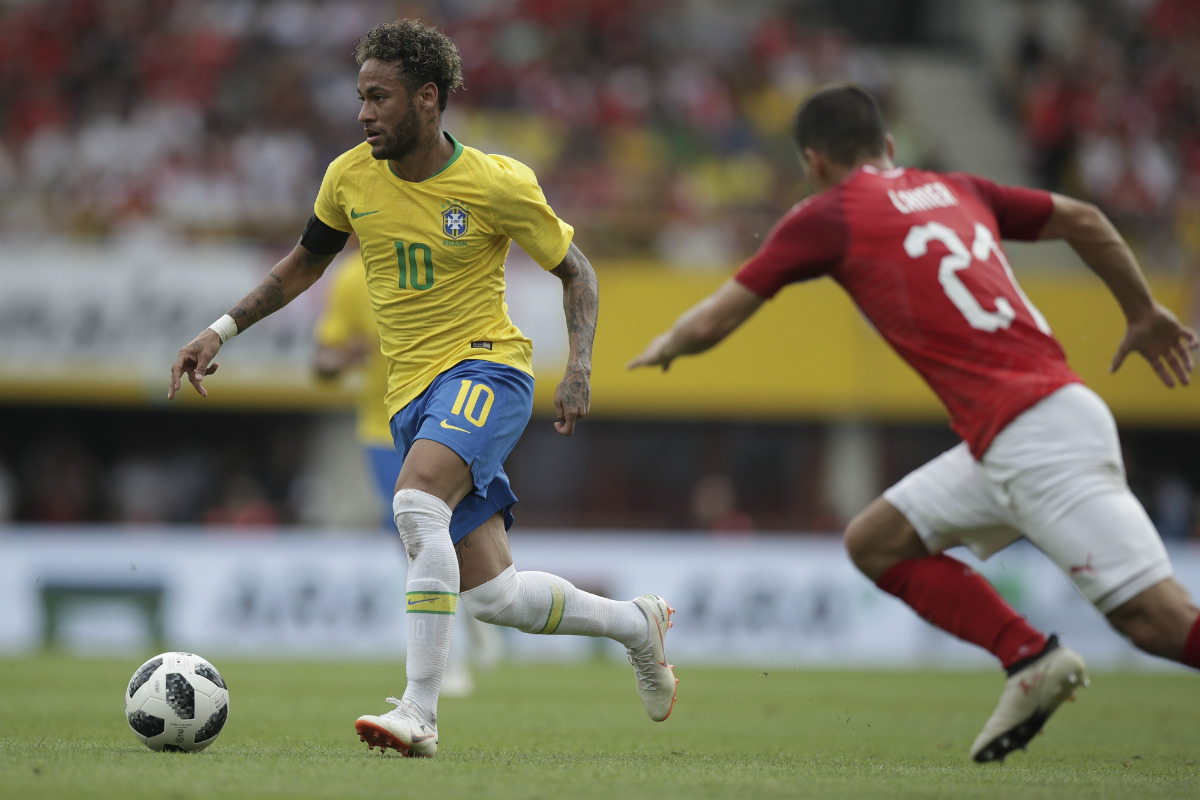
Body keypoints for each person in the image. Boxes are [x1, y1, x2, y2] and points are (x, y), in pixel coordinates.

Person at [629, 83, 1200, 763]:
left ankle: (1029, 656)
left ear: (813, 161)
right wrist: (1140, 310)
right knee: (876, 540)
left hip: (1038, 437)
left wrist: (666, 346)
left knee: (1156, 622)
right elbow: (1084, 217)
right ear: (890, 146)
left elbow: (713, 319)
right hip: (1016, 435)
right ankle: (1028, 658)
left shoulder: (828, 214)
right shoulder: (958, 188)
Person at [169, 19, 677, 758]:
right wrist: (221, 329)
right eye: (360, 97)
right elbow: (303, 265)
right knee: (495, 598)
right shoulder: (348, 177)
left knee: (412, 503)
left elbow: (577, 271)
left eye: (380, 97)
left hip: (487, 370)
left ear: (429, 99)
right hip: (410, 399)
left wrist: (579, 365)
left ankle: (420, 712)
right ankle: (639, 624)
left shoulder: (497, 183)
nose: (363, 112)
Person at [312, 247, 501, 696]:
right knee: (417, 542)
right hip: (384, 427)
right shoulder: (352, 278)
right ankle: (448, 661)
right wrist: (340, 359)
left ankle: (475, 610)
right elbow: (322, 362)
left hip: (446, 415)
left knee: (457, 532)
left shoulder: (438, 252)